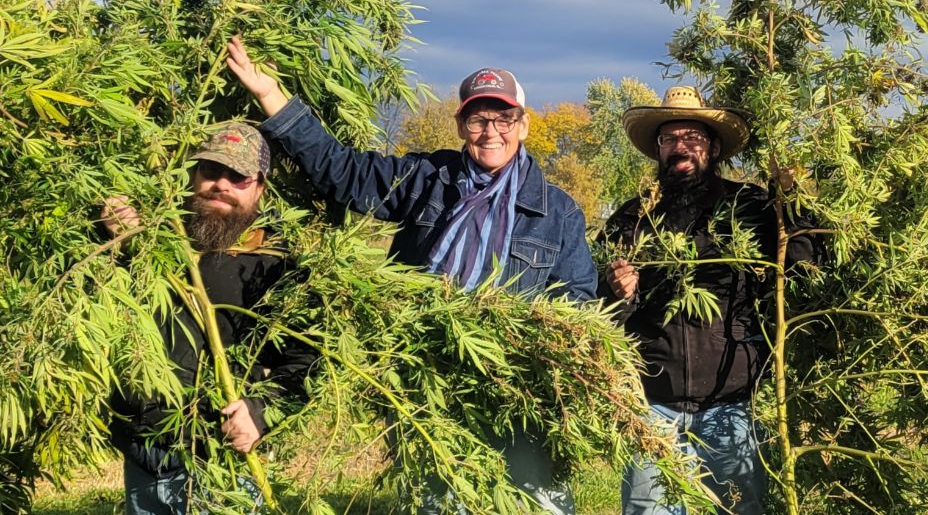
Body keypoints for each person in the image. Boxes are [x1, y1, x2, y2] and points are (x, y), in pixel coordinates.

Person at [225, 36, 596, 515]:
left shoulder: (558, 210)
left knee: (531, 503)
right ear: (461, 124)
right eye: (478, 119)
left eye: (503, 118)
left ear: (522, 126)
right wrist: (271, 98)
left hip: (513, 393)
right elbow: (343, 171)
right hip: (428, 382)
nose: (491, 132)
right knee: (437, 501)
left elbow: (578, 303)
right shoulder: (427, 178)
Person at [598, 86, 819, 515]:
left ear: (713, 147)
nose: (680, 147)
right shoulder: (633, 216)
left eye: (692, 138)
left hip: (730, 401)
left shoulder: (750, 206)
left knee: (741, 507)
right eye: (669, 139)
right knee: (648, 509)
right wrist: (618, 291)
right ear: (658, 150)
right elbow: (600, 305)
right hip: (651, 400)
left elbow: (803, 263)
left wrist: (788, 200)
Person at [102, 122, 315, 515]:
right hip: (146, 448)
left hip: (224, 457)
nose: (222, 184)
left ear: (260, 188)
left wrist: (260, 413)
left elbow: (305, 362)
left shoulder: (275, 266)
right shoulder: (151, 240)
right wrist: (112, 242)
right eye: (211, 171)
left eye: (238, 176)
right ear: (193, 176)